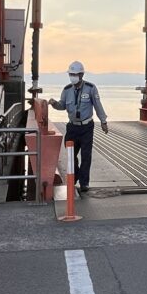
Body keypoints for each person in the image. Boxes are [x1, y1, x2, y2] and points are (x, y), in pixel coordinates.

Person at [47, 61, 108, 194]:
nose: (72, 76)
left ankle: (84, 182)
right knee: (71, 154)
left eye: (75, 74)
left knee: (86, 155)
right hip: (72, 128)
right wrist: (54, 104)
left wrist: (103, 121)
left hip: (86, 127)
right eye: (71, 74)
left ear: (81, 75)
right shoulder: (67, 90)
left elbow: (98, 105)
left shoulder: (91, 88)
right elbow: (62, 106)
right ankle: (75, 176)